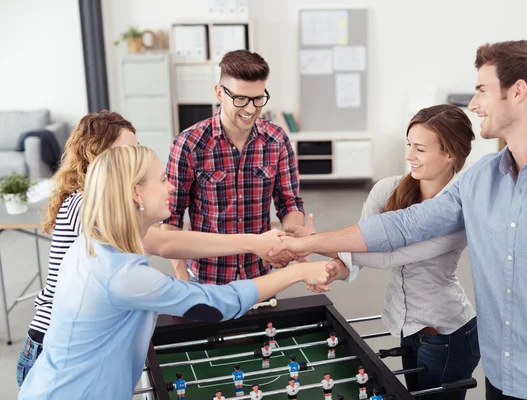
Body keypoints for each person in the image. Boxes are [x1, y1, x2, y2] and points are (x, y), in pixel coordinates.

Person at [268, 40, 527, 400]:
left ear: (517, 92)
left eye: (482, 90)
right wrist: (307, 243)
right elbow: (404, 225)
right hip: (501, 377)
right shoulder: (481, 178)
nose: (473, 104)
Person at [18, 145, 331, 399]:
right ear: (136, 193)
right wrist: (298, 274)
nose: (171, 185)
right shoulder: (123, 276)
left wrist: (256, 243)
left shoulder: (95, 239)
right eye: (162, 178)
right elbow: (217, 305)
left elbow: (170, 241)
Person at [304, 105, 480, 399]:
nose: (409, 155)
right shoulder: (387, 189)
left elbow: (390, 256)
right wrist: (337, 268)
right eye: (409, 144)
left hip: (447, 333)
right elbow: (359, 246)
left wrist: (312, 243)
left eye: (420, 149)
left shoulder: (459, 210)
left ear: (450, 153)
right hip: (405, 325)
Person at [162, 49, 309, 284]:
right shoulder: (189, 144)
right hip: (207, 278)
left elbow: (289, 202)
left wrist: (291, 241)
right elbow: (171, 217)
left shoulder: (277, 140)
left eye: (258, 99)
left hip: (259, 274)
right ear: (219, 93)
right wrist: (182, 280)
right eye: (240, 99)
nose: (250, 109)